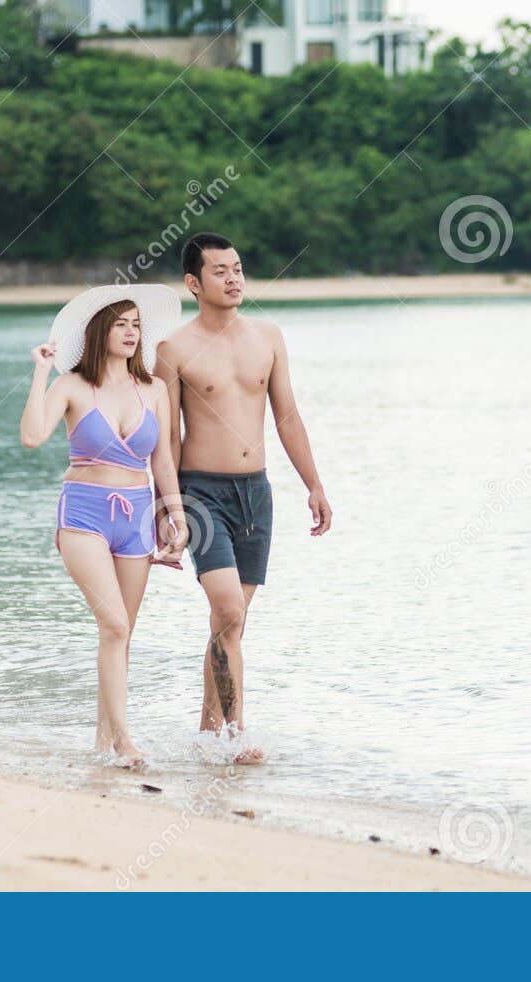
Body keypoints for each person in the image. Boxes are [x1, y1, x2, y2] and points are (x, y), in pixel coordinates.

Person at [154, 233, 332, 764]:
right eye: (220, 271)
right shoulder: (173, 349)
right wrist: (169, 505)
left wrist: (314, 484)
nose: (233, 279)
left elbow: (288, 417)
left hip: (256, 493)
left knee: (229, 622)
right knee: (228, 610)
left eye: (238, 269)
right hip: (201, 491)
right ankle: (236, 737)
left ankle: (206, 732)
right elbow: (168, 437)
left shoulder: (269, 337)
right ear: (193, 283)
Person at [19, 285, 186, 768]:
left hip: (137, 517)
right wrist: (40, 372)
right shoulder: (71, 385)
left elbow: (165, 461)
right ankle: (126, 741)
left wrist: (175, 517)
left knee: (120, 635)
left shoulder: (154, 388)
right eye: (121, 324)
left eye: (137, 324)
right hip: (84, 515)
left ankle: (101, 741)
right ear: (99, 331)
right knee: (113, 624)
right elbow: (32, 437)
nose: (133, 332)